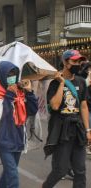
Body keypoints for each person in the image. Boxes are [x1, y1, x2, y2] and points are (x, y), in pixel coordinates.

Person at [0, 61, 38, 188]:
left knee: (8, 174)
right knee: (13, 176)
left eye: (14, 73)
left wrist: (29, 92)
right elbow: (2, 114)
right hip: (4, 139)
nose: (12, 77)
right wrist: (9, 95)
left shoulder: (20, 90)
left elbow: (32, 110)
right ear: (2, 75)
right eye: (9, 74)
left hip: (18, 138)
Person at [43, 50, 91, 188]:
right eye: (74, 61)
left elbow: (83, 107)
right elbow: (55, 105)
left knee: (80, 170)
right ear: (65, 62)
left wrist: (88, 130)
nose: (78, 64)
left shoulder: (81, 82)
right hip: (62, 131)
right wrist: (62, 83)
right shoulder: (54, 84)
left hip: (78, 130)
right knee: (60, 170)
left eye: (79, 61)